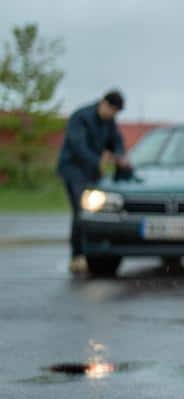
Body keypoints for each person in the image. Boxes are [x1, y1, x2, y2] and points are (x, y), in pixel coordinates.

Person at [56, 90, 126, 274]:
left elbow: (116, 140)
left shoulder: (109, 122)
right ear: (104, 104)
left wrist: (118, 156)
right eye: (112, 111)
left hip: (92, 172)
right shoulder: (81, 117)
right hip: (74, 169)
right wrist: (99, 161)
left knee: (96, 210)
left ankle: (95, 252)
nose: (112, 116)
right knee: (81, 210)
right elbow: (78, 146)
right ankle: (77, 255)